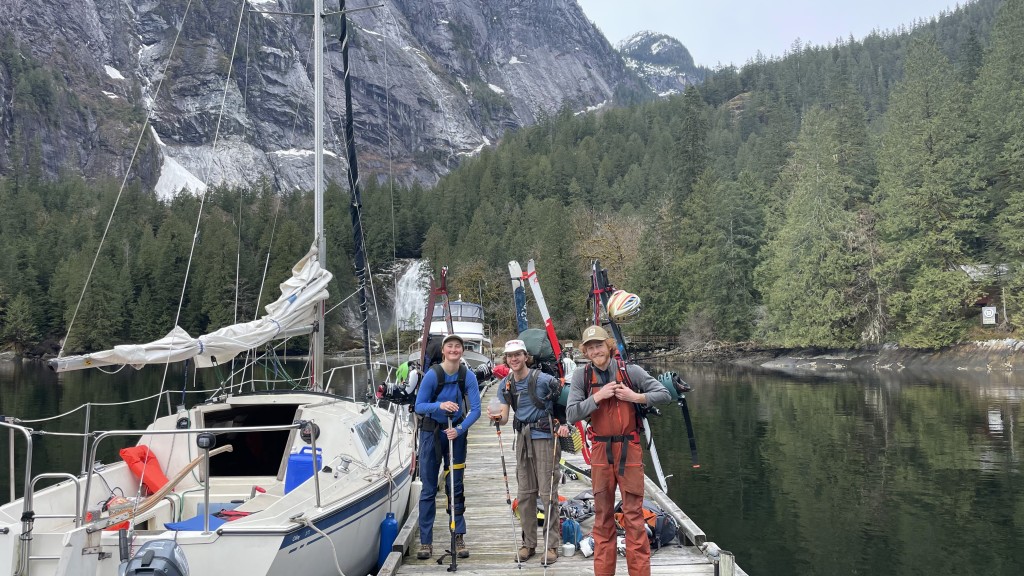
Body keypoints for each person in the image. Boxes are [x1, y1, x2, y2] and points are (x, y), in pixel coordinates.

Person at [566, 325, 671, 576]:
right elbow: (571, 414)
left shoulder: (630, 371)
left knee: (634, 517)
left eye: (599, 345)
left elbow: (664, 394)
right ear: (585, 351)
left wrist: (636, 397)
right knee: (602, 519)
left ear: (608, 346)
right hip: (601, 451)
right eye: (590, 348)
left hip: (629, 449)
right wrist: (598, 396)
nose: (595, 351)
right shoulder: (581, 376)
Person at [487, 339, 570, 565]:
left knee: (548, 493)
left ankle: (551, 546)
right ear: (506, 359)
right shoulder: (505, 384)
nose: (513, 359)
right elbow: (504, 418)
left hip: (544, 438)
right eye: (509, 356)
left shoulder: (543, 379)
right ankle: (529, 544)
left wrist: (563, 423)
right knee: (525, 494)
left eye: (518, 354)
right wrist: (496, 417)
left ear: (526, 356)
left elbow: (565, 398)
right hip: (522, 440)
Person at [414, 333, 482, 560]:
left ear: (462, 351)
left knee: (456, 485)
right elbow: (419, 406)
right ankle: (426, 542)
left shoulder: (467, 375)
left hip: (456, 433)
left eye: (458, 346)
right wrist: (440, 405)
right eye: (450, 346)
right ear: (443, 351)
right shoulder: (433, 375)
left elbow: (476, 410)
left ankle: (458, 535)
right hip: (431, 433)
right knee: (429, 489)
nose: (454, 350)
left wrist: (460, 430)